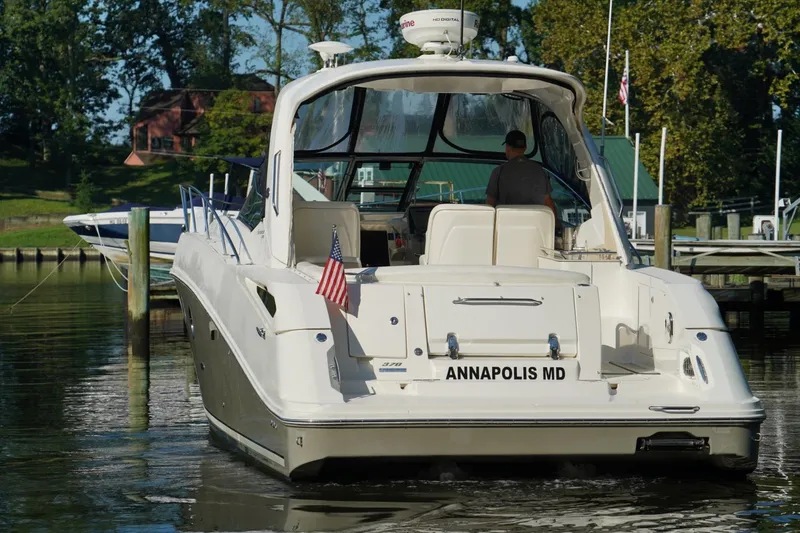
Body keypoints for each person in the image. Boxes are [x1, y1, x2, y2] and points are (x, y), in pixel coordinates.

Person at [485, 130, 557, 218]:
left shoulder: (499, 171)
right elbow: (548, 201)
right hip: (534, 225)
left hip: (507, 225)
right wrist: (556, 225)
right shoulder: (539, 170)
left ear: (507, 148)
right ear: (525, 148)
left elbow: (490, 204)